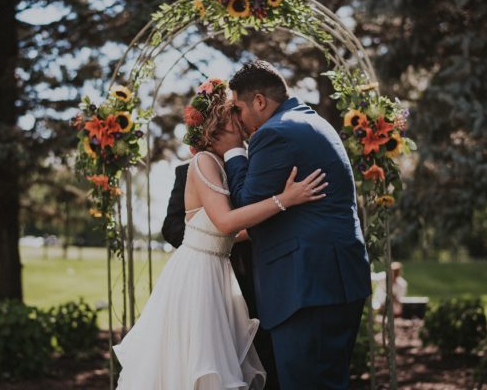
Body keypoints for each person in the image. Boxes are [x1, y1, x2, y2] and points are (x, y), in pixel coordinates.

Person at [113, 78, 327, 390]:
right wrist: (285, 200)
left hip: (215, 270)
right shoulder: (203, 161)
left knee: (218, 364)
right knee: (203, 367)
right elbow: (226, 223)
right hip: (198, 277)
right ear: (218, 122)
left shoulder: (220, 163)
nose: (241, 122)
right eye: (233, 115)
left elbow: (224, 231)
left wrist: (259, 230)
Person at [211, 60, 372, 389]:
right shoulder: (310, 122)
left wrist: (232, 151)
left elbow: (244, 203)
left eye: (238, 109)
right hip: (334, 280)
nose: (238, 121)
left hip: (307, 285)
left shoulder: (274, 133)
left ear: (259, 101)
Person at [162, 162, 280, 390]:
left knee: (257, 351)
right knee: (207, 355)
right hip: (205, 281)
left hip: (255, 281)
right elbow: (171, 226)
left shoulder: (252, 168)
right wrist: (212, 238)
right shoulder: (188, 171)